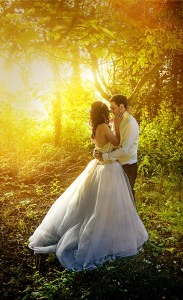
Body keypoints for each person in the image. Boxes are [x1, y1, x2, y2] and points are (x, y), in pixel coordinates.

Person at [28, 101, 148, 271]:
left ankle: (107, 229)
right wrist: (119, 124)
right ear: (103, 113)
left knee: (94, 202)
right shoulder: (105, 127)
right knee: (108, 203)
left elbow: (104, 138)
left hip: (97, 165)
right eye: (108, 111)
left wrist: (116, 120)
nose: (110, 114)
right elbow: (117, 142)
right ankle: (107, 233)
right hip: (108, 168)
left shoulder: (96, 127)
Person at [94, 94, 139, 197]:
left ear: (122, 107)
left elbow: (124, 150)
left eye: (113, 108)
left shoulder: (130, 123)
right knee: (117, 198)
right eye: (110, 108)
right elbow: (113, 141)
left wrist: (104, 156)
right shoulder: (117, 119)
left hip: (128, 165)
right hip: (117, 164)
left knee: (127, 197)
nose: (111, 111)